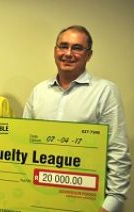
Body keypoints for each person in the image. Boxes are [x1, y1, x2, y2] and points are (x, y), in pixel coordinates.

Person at [23, 25, 131, 212]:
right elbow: (24, 144)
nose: (68, 53)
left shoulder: (105, 91)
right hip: (39, 197)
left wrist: (112, 203)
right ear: (55, 51)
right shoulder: (39, 92)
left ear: (89, 55)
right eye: (63, 46)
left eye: (77, 48)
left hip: (87, 201)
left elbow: (117, 152)